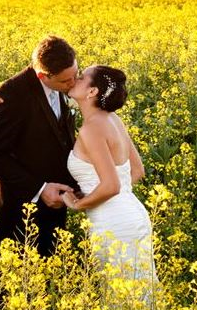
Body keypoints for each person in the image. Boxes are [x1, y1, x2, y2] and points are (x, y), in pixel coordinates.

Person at [0, 36, 80, 256]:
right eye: (66, 81)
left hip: (57, 203)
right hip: (22, 209)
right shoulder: (9, 96)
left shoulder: (64, 83)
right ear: (43, 76)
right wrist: (41, 188)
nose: (73, 84)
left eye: (76, 75)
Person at [62, 65, 157, 282]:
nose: (76, 78)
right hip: (132, 215)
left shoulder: (92, 128)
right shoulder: (113, 119)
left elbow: (111, 186)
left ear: (92, 91)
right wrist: (101, 193)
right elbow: (137, 171)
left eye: (82, 77)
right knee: (139, 295)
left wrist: (77, 204)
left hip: (113, 223)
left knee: (121, 298)